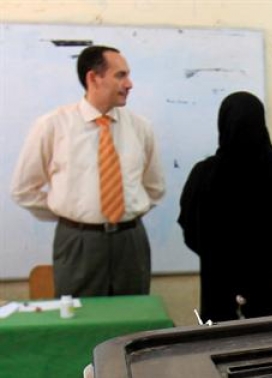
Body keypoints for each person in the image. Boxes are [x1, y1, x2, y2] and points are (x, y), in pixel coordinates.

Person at [11, 45, 165, 297]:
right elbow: (23, 190)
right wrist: (70, 214)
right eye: (120, 75)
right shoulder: (52, 126)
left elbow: (154, 188)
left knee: (133, 320)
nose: (130, 84)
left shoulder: (140, 127)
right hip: (78, 242)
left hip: (130, 241)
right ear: (93, 77)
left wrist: (126, 213)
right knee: (80, 321)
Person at [178, 91, 272, 321]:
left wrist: (221, 255)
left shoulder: (204, 175)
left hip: (221, 292)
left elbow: (190, 232)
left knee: (222, 349)